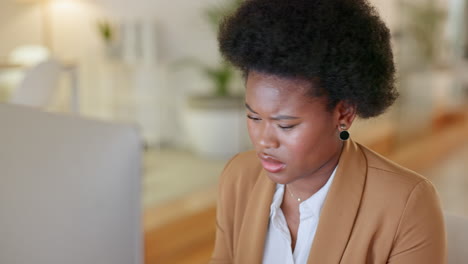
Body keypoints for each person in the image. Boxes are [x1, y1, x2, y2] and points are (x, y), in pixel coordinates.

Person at [210, 0, 447, 263]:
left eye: (285, 125)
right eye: (253, 117)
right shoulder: (239, 178)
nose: (264, 140)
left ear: (343, 114)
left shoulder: (405, 204)